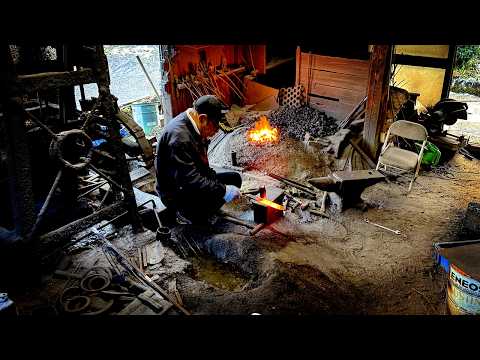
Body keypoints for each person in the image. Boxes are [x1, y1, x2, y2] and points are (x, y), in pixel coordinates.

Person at [155, 95, 242, 226]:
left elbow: (202, 169)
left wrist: (220, 186)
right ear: (203, 119)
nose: (216, 131)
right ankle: (186, 214)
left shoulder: (193, 123)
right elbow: (191, 181)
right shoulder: (179, 138)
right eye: (215, 126)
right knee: (212, 202)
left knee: (234, 179)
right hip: (176, 192)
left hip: (189, 180)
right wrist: (223, 190)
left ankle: (206, 209)